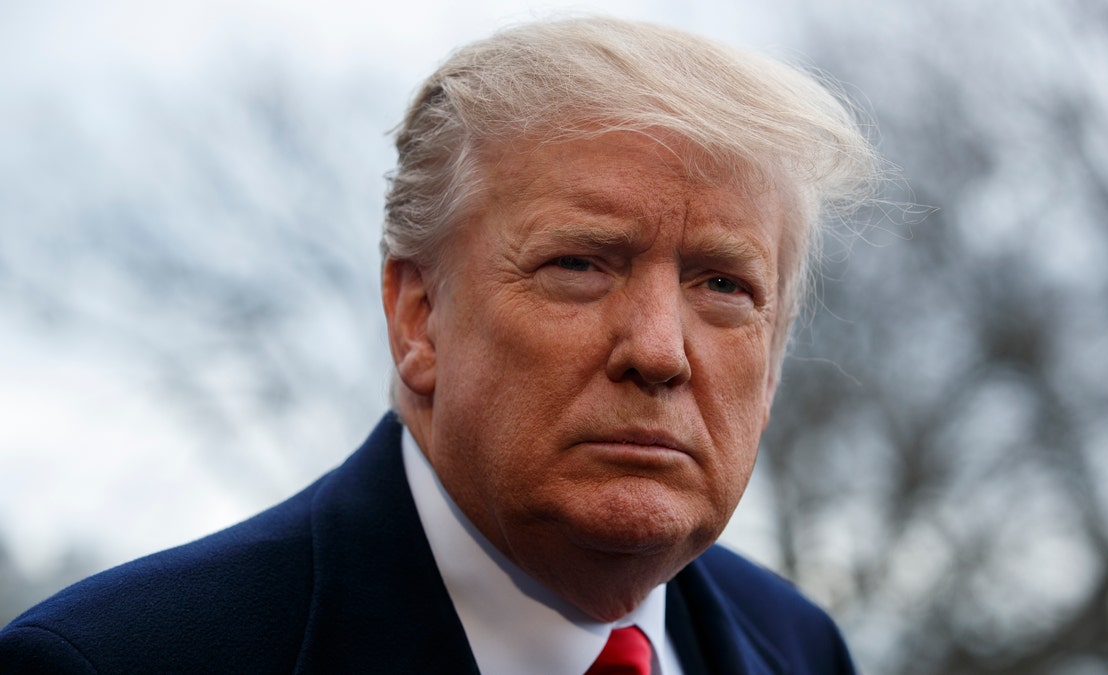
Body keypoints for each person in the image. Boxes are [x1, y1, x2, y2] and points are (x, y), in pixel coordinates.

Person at [0, 16, 877, 674]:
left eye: (724, 285)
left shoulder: (802, 648)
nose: (658, 350)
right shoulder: (111, 662)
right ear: (418, 318)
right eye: (579, 263)